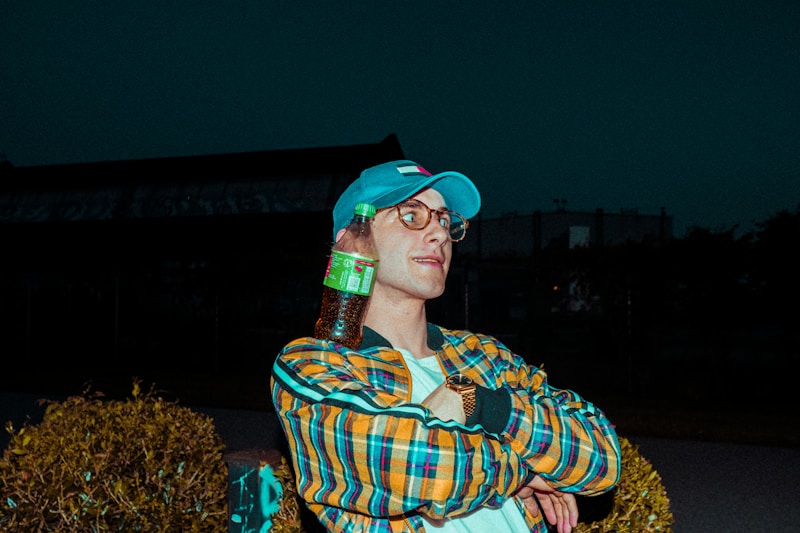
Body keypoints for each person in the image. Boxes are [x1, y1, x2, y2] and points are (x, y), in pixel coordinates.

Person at [271, 160, 621, 532]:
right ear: (352, 240)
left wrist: (480, 402)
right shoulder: (315, 365)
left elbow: (602, 458)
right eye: (412, 215)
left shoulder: (484, 355)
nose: (439, 233)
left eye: (444, 220)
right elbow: (423, 470)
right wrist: (524, 473)